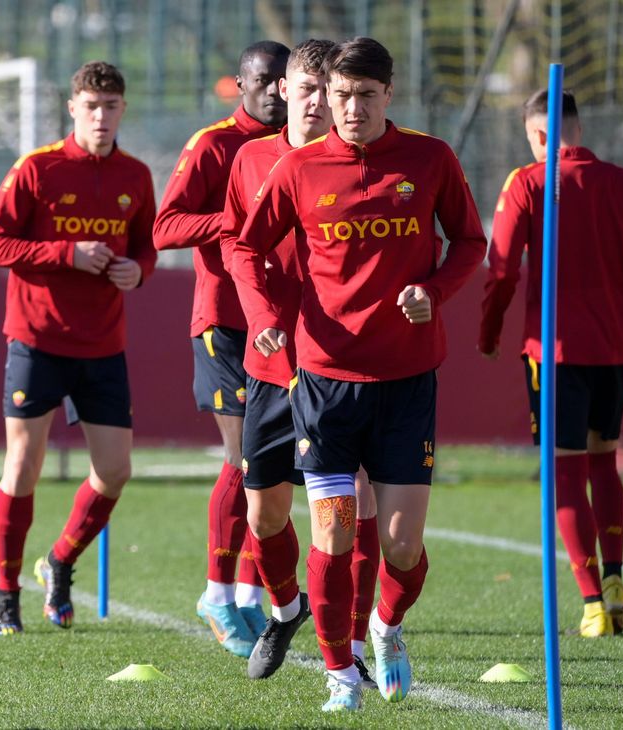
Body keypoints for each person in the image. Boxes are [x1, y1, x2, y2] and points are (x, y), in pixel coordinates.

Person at [233, 37, 487, 712]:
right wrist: (262, 312)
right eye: (340, 95)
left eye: (363, 97)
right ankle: (340, 675)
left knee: (402, 547)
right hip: (324, 384)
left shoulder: (429, 158)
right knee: (335, 533)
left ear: (388, 96)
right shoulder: (298, 168)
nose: (348, 108)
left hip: (407, 383)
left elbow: (469, 241)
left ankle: (389, 626)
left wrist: (436, 290)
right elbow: (245, 244)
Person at [478, 89, 623, 637]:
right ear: (577, 131)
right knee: (605, 463)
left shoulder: (528, 183)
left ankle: (590, 605)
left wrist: (489, 331)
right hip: (615, 353)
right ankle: (616, 579)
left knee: (565, 474)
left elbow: (502, 270)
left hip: (555, 355)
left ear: (538, 135)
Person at [220, 38, 380, 688]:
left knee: (350, 508)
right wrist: (261, 319)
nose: (319, 102)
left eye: (329, 90)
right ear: (284, 91)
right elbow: (238, 246)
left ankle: (353, 644)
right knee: (263, 516)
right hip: (269, 372)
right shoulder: (252, 160)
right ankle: (286, 609)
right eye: (307, 89)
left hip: (338, 373)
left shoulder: (357, 164)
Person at [0, 61, 157, 636]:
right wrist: (66, 253)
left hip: (103, 344)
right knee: (23, 466)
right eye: (91, 105)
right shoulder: (37, 168)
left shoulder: (135, 175)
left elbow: (147, 248)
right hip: (37, 339)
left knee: (114, 471)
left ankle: (59, 562)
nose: (101, 116)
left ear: (122, 110)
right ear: (72, 109)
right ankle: (7, 597)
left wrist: (138, 270)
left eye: (111, 106)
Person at [153, 40, 290, 658]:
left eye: (282, 82)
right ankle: (216, 591)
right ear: (240, 84)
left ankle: (246, 592)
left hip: (283, 326)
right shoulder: (213, 145)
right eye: (261, 81)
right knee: (242, 459)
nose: (272, 92)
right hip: (225, 323)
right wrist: (231, 220)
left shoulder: (304, 147)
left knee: (277, 469)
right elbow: (165, 228)